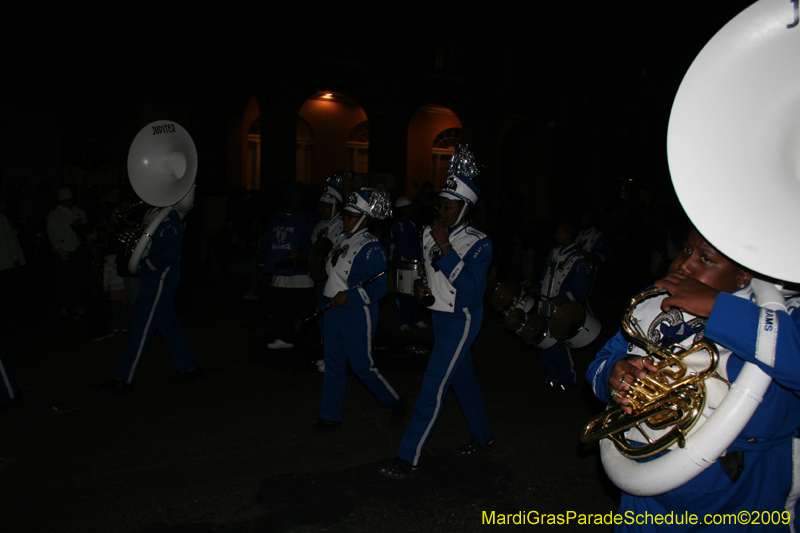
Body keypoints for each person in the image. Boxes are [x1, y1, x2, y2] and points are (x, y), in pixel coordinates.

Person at [585, 227, 800, 531]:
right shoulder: (654, 296)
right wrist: (613, 374)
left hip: (731, 489)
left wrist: (717, 307)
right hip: (640, 472)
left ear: (742, 275)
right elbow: (604, 358)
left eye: (705, 259)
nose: (684, 265)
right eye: (686, 250)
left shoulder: (783, 314)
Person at [380, 144, 494, 480]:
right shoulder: (428, 234)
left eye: (449, 206)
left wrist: (445, 245)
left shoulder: (479, 241)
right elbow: (424, 272)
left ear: (466, 208)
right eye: (440, 205)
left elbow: (469, 285)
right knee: (464, 381)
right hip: (439, 317)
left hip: (463, 318)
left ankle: (407, 458)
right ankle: (483, 436)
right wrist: (419, 286)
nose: (441, 211)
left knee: (433, 384)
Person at [314, 187, 405, 430]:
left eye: (350, 216)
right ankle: (329, 416)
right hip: (333, 308)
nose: (344, 219)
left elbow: (379, 288)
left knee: (362, 365)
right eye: (344, 215)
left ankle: (395, 401)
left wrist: (350, 297)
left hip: (357, 312)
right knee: (333, 364)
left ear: (365, 218)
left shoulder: (372, 247)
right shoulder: (341, 240)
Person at [102, 187, 200, 393]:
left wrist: (143, 264)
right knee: (167, 323)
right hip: (153, 275)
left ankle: (125, 378)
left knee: (141, 324)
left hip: (159, 276)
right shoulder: (152, 213)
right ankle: (189, 366)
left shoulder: (168, 217)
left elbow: (168, 256)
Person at [536, 220, 594, 390]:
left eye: (559, 232)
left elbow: (582, 287)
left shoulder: (579, 258)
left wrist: (563, 298)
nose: (556, 235)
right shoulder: (554, 252)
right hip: (545, 303)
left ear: (568, 234)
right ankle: (552, 375)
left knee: (557, 342)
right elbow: (545, 274)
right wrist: (538, 287)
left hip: (562, 307)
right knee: (543, 339)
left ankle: (568, 377)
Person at [257, 183, 315, 350]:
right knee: (281, 307)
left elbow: (314, 244)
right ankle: (284, 337)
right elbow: (266, 244)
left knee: (304, 307)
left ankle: (314, 339)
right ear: (287, 200)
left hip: (299, 272)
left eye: (299, 198)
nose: (297, 201)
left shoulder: (307, 219)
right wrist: (262, 265)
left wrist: (301, 254)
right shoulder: (276, 220)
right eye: (294, 198)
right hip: (279, 270)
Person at [310, 172, 345, 372]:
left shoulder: (342, 226)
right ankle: (328, 354)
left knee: (332, 319)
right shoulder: (320, 226)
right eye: (321, 206)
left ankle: (334, 359)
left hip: (335, 279)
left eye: (326, 206)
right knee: (322, 317)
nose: (322, 210)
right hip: (321, 278)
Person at [46, 187, 87, 317]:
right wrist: (59, 249)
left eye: (70, 199)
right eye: (66, 200)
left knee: (76, 279)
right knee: (62, 280)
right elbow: (52, 232)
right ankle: (62, 305)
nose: (69, 202)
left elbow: (86, 228)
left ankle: (76, 304)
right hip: (63, 250)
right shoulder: (56, 213)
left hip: (77, 249)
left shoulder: (78, 211)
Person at [390, 196, 427, 332]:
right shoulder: (398, 225)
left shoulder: (412, 224)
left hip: (412, 263)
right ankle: (401, 321)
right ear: (402, 210)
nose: (411, 211)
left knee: (414, 290)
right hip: (400, 264)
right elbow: (402, 246)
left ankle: (416, 318)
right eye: (409, 208)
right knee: (401, 292)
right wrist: (414, 257)